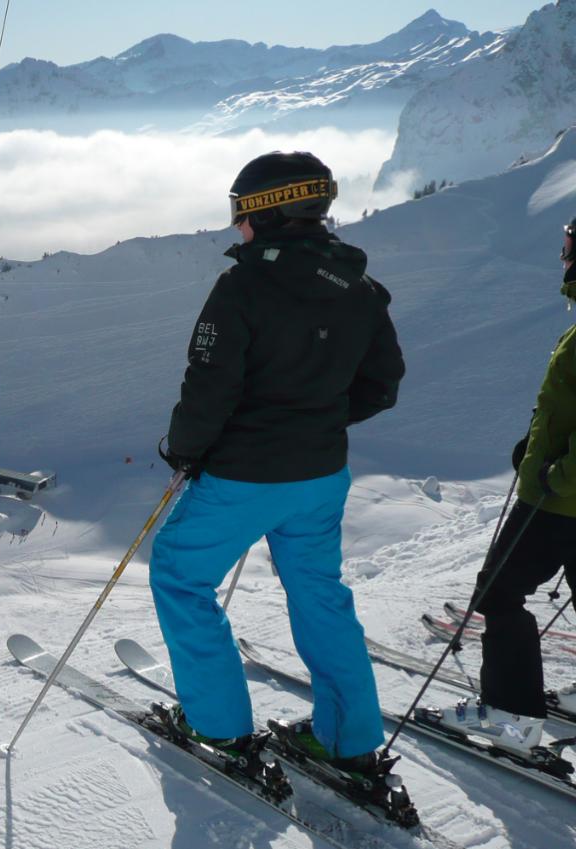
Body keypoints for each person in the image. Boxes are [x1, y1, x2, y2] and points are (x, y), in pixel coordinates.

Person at [150, 151, 405, 775]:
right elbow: (382, 385)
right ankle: (349, 739)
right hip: (320, 475)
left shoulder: (242, 286)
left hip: (244, 475)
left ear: (268, 211)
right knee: (319, 592)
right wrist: (313, 423)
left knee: (180, 576)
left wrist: (185, 449)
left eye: (240, 212)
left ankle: (220, 728)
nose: (237, 226)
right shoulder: (360, 289)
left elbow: (209, 383)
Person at [440, 217, 576, 750]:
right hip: (561, 491)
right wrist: (536, 447)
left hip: (558, 501)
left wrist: (552, 475)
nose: (564, 257)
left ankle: (510, 722)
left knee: (498, 593)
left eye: (570, 246)